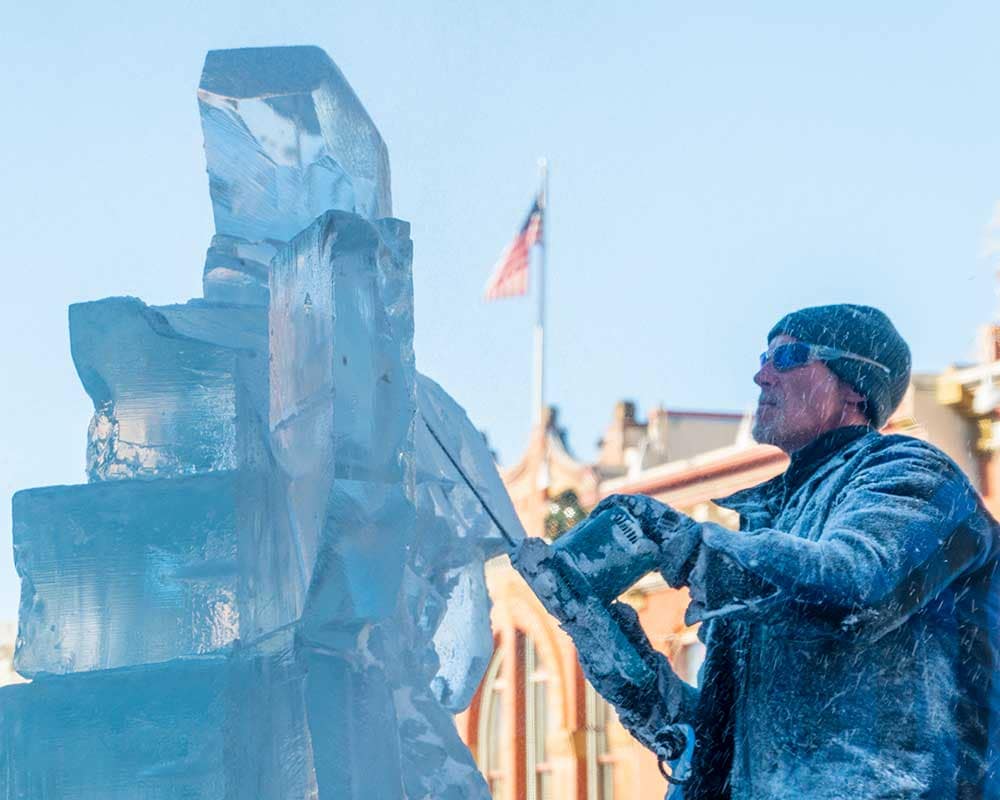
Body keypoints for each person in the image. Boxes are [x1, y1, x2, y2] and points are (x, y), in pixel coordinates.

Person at [586, 304, 1000, 799]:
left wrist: (691, 549)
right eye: (763, 359)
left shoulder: (913, 475)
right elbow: (720, 748)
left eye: (788, 357)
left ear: (856, 385)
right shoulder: (770, 523)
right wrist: (637, 681)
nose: (762, 376)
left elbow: (858, 588)